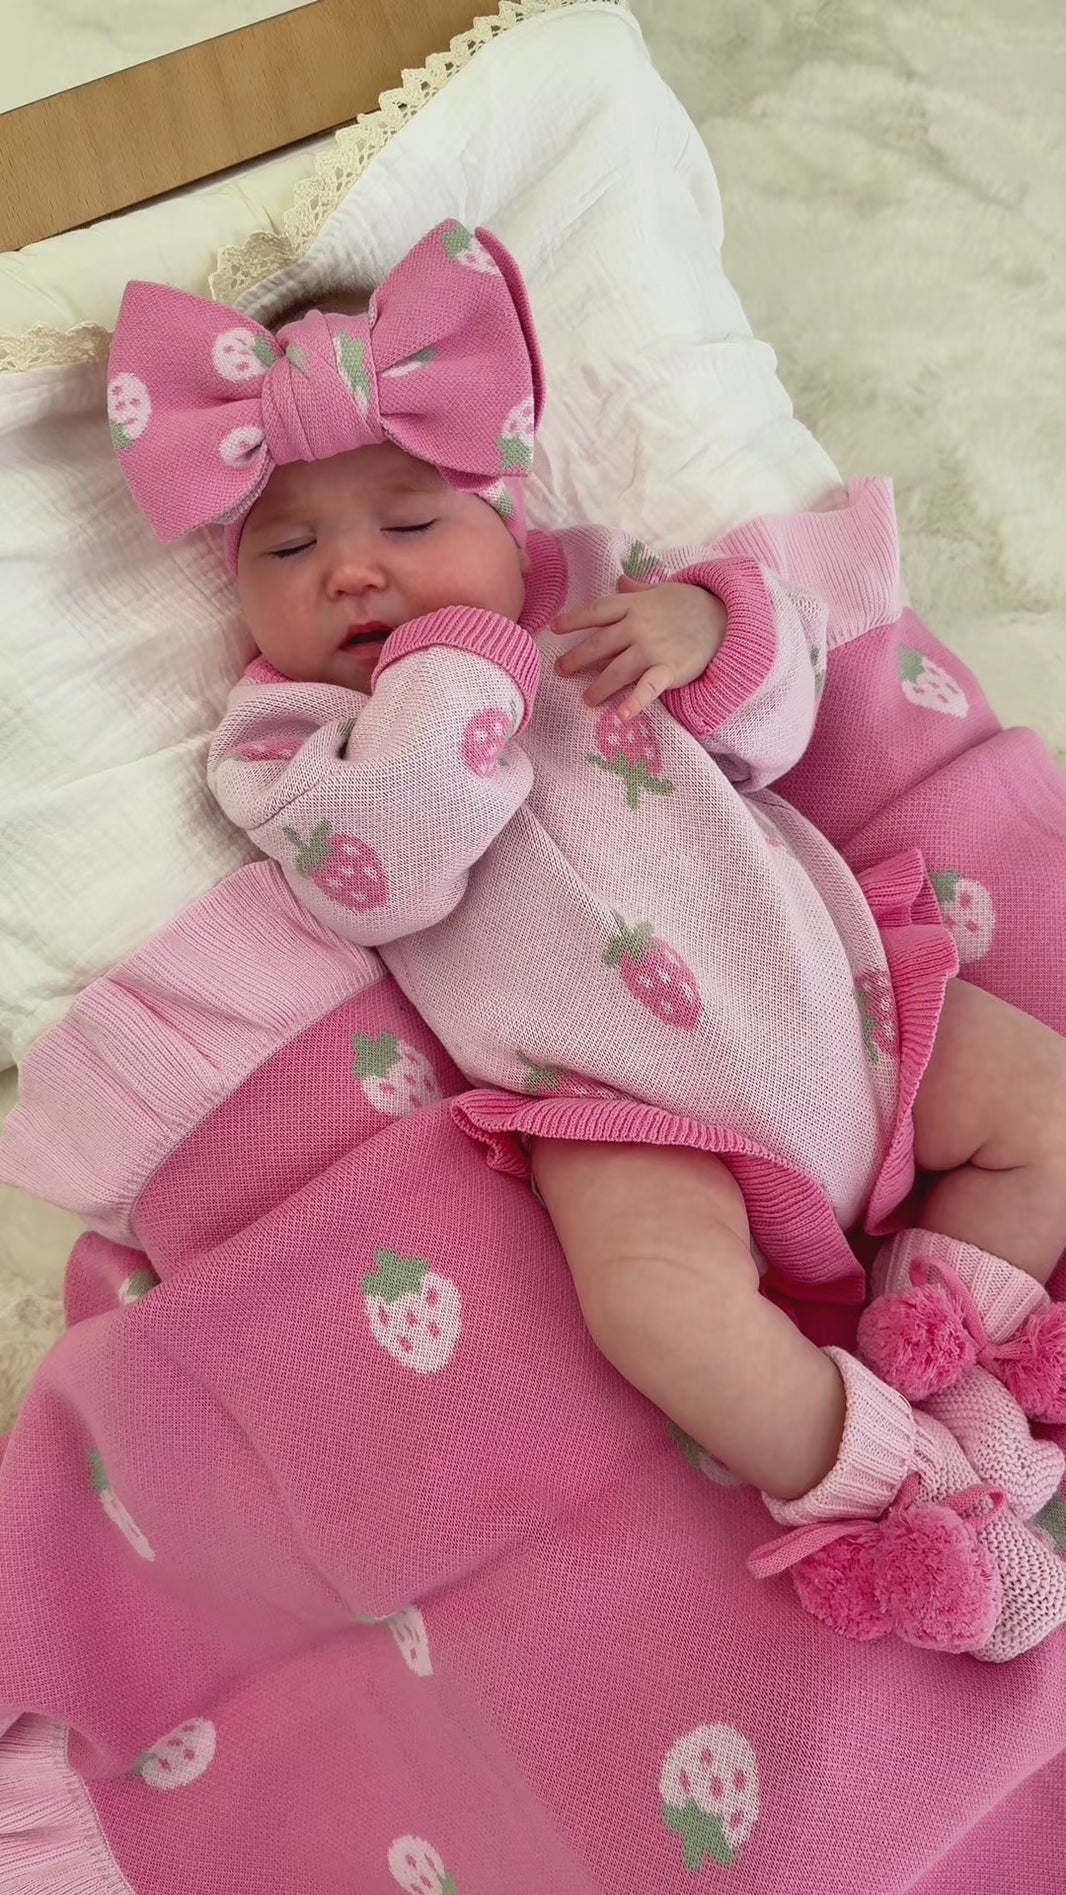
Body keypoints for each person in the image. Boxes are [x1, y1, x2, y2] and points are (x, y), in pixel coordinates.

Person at [106, 221, 1066, 1659]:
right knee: (653, 1309)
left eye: (410, 524)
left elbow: (777, 725)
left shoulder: (599, 595)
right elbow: (381, 882)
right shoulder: (286, 739)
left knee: (1040, 1100)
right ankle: (894, 1488)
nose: (354, 571)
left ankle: (948, 1346)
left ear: (507, 515)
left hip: (841, 1000)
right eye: (290, 548)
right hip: (622, 1111)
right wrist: (451, 675)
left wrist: (711, 629)